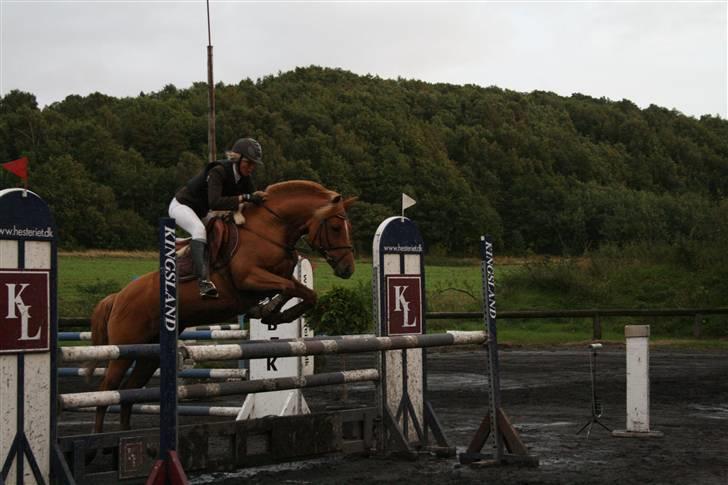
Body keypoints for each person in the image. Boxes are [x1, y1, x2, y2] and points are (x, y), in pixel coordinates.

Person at [169, 137, 267, 298]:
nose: (251, 168)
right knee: (199, 230)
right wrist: (245, 197)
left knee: (225, 230)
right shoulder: (219, 171)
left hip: (201, 211)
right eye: (248, 163)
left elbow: (252, 201)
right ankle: (203, 282)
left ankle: (219, 270)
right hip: (182, 206)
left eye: (253, 164)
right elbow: (215, 202)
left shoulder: (244, 178)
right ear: (237, 159)